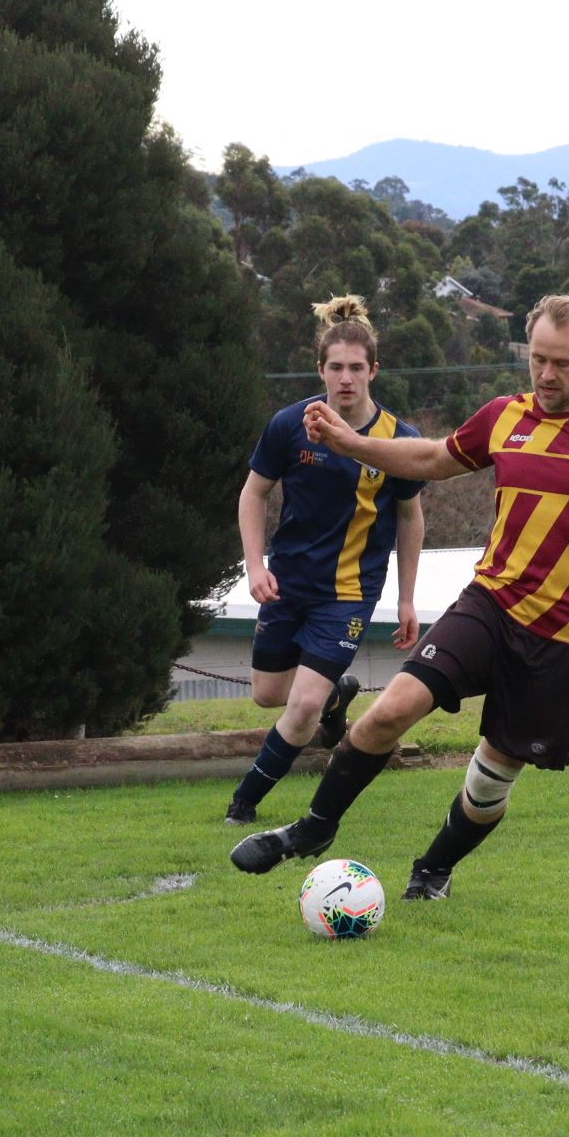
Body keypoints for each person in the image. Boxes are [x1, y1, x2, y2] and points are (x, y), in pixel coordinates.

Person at [230, 292, 569, 896]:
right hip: (490, 604)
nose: (546, 375)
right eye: (538, 359)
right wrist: (352, 444)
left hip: (564, 639)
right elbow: (432, 457)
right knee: (388, 711)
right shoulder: (504, 416)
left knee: (490, 779)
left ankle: (433, 869)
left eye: (561, 363)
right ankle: (314, 828)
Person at [223, 294, 426, 824]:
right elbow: (252, 494)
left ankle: (244, 803)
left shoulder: (398, 440)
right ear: (320, 370)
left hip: (350, 593)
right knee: (269, 694)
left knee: (302, 706)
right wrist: (255, 566)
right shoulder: (291, 424)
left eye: (356, 368)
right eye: (336, 367)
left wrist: (406, 598)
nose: (346, 378)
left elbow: (410, 518)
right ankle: (337, 695)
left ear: (374, 371)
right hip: (287, 583)